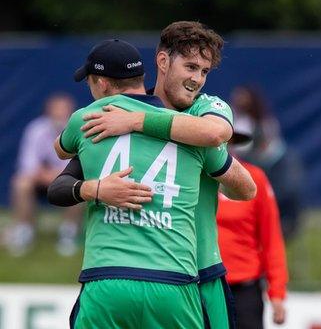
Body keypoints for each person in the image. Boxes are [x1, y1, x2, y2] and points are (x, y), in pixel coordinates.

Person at [49, 22, 255, 328]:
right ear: (162, 61)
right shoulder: (115, 115)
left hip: (201, 273)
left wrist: (137, 122)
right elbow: (64, 174)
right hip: (152, 277)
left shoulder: (206, 109)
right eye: (190, 67)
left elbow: (218, 138)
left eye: (204, 71)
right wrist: (95, 188)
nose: (197, 79)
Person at [217, 125, 289, 329]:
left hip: (244, 288)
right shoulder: (191, 176)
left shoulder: (254, 178)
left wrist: (277, 292)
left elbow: (271, 238)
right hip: (199, 285)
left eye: (227, 140)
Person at [3, 92, 82, 256]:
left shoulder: (77, 130)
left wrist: (56, 176)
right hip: (40, 181)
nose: (60, 113)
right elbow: (28, 164)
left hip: (64, 181)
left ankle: (68, 234)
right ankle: (24, 231)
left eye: (63, 109)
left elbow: (75, 166)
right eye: (56, 109)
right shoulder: (36, 129)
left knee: (80, 184)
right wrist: (47, 176)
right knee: (21, 182)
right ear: (48, 110)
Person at [231, 85, 305, 240]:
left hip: (269, 168)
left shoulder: (265, 123)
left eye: (244, 97)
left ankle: (285, 223)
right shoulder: (237, 122)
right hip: (247, 167)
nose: (240, 101)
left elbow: (269, 147)